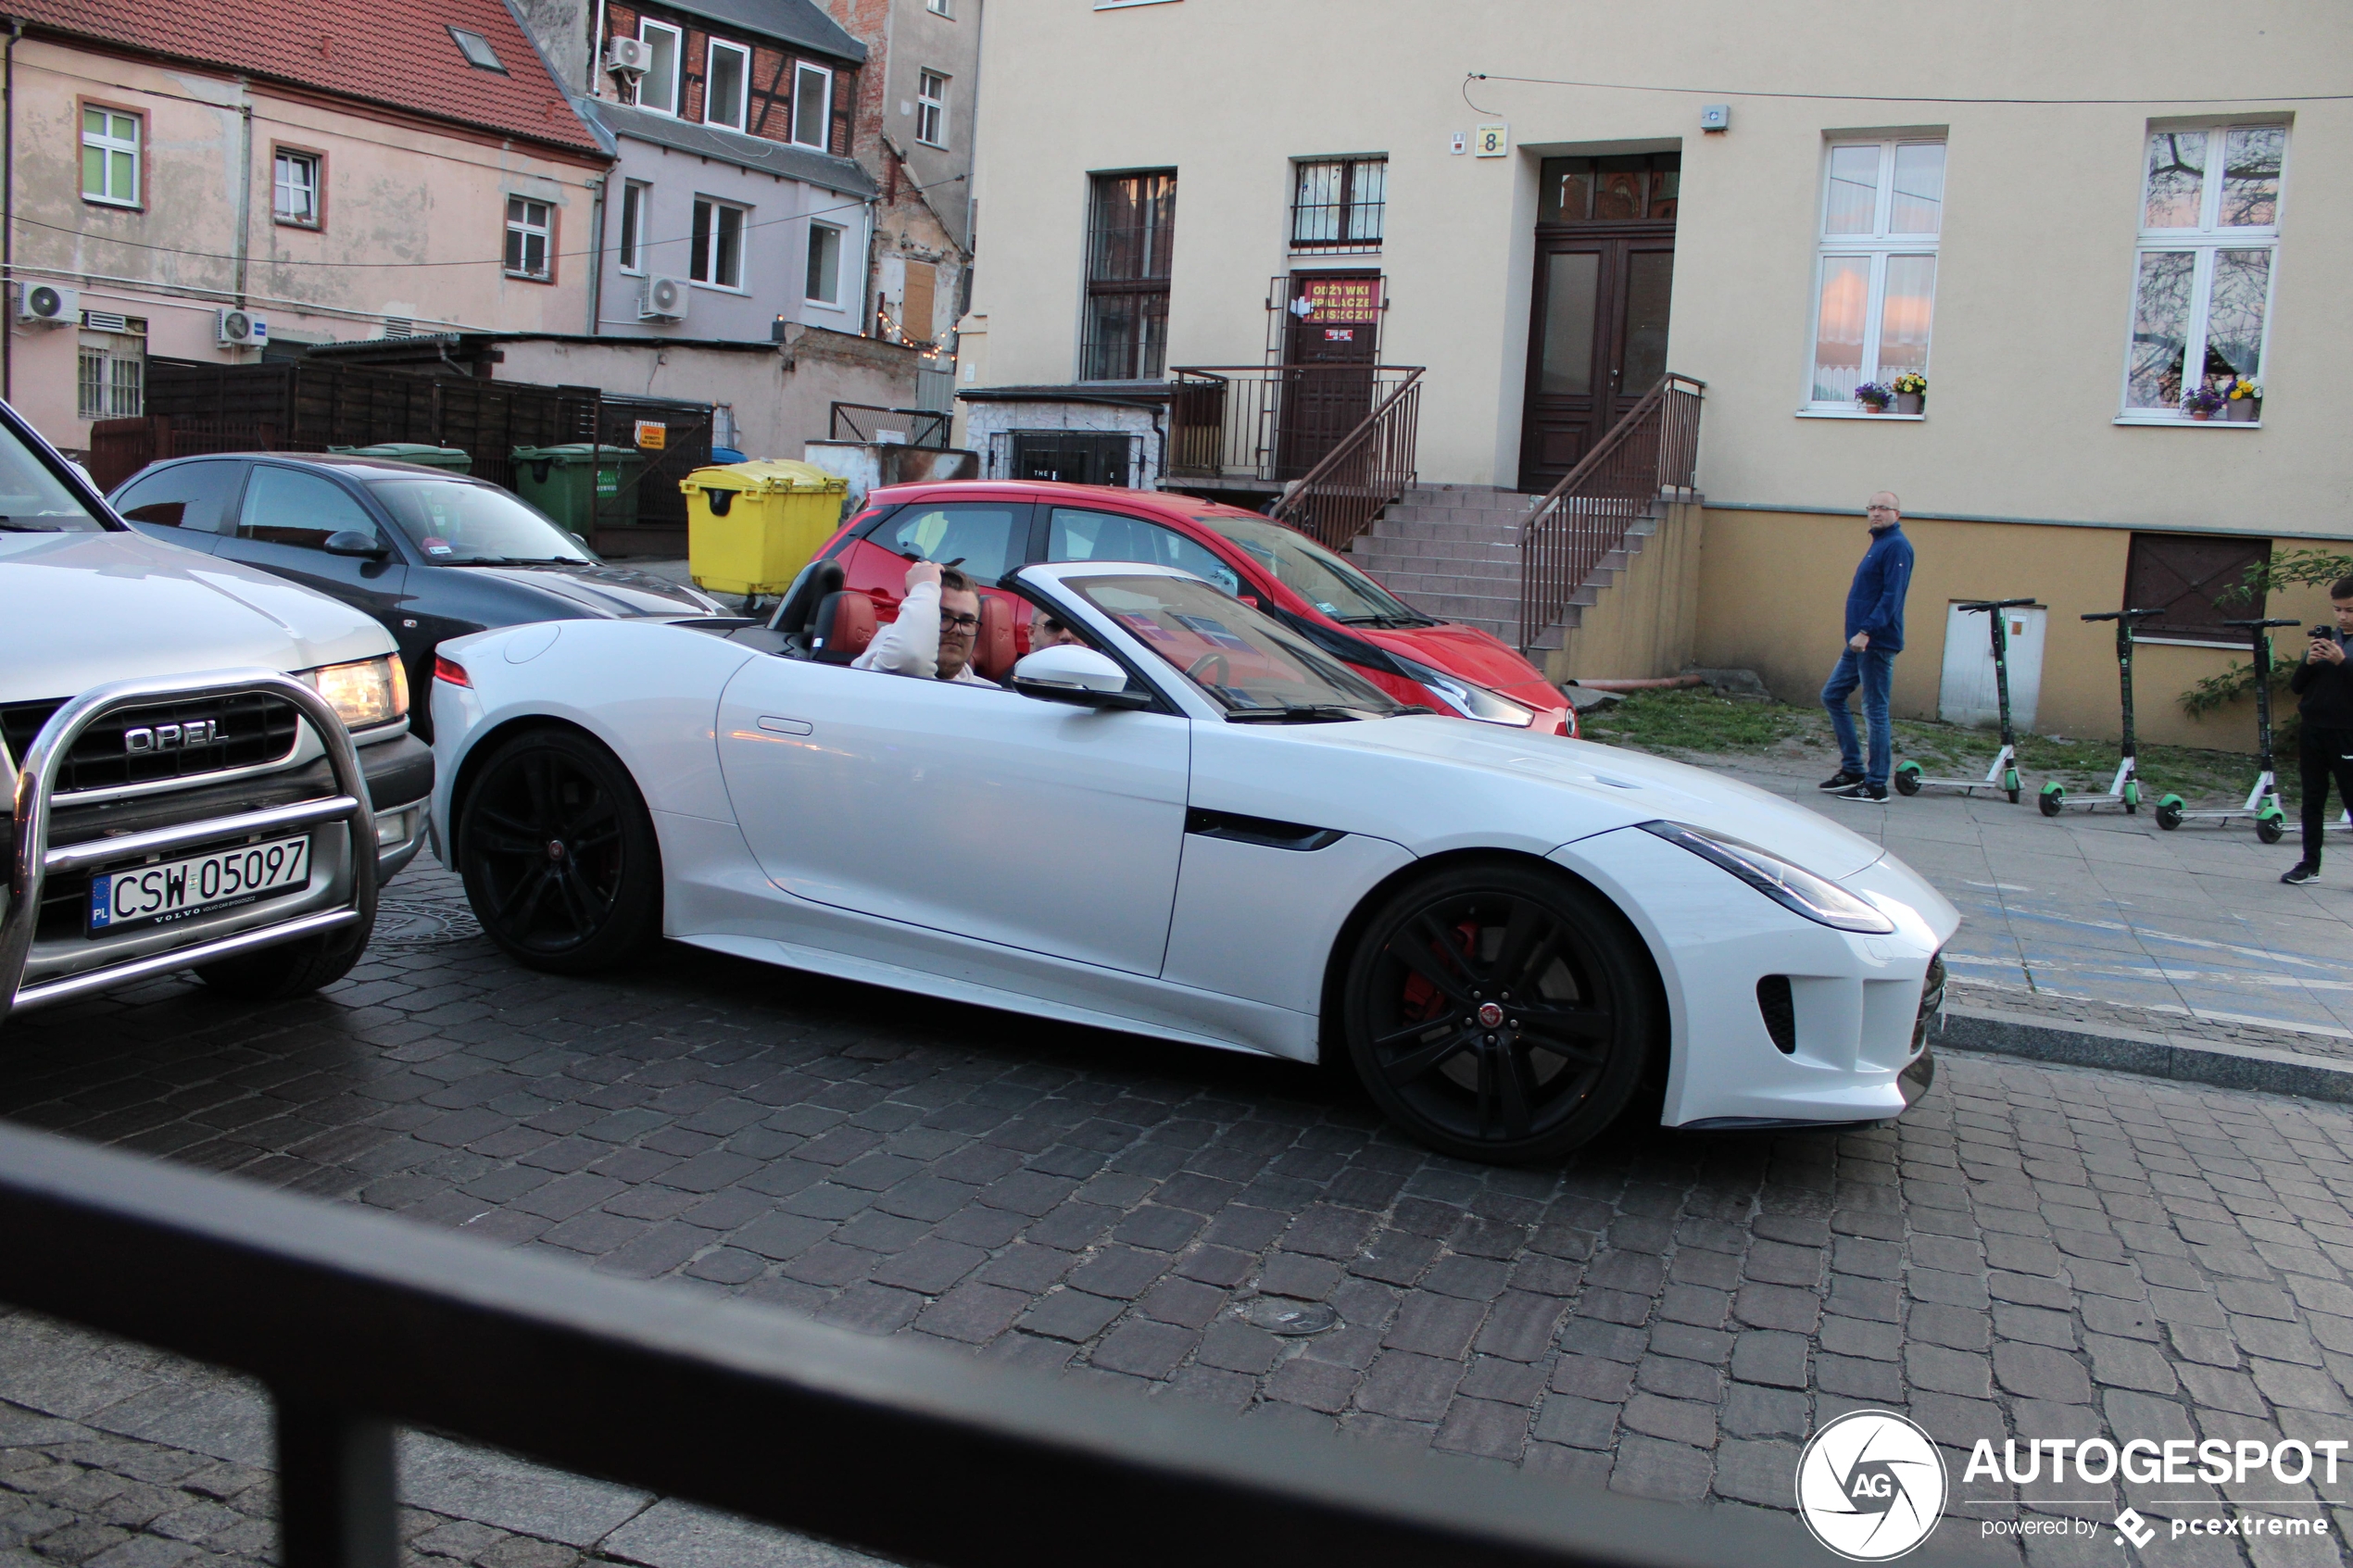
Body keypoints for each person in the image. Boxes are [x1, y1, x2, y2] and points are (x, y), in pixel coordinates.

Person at [1819, 492, 1915, 802]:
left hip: (1874, 641)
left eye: (1883, 508)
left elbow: (1892, 596)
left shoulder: (1897, 546)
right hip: (1858, 642)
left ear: (1896, 513)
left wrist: (1866, 631)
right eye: (1872, 507)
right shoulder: (1880, 544)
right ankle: (1853, 769)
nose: (1875, 513)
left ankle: (1875, 784)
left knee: (1875, 709)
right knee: (1832, 695)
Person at [2280, 576, 2353, 884]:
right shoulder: (2329, 638)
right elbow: (2297, 687)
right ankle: (2310, 864)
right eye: (2337, 609)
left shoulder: (2342, 650)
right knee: (2312, 798)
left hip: (2347, 732)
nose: (2342, 617)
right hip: (2313, 729)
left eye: (2349, 610)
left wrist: (2343, 663)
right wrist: (2309, 662)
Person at [853, 561, 997, 686]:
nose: (957, 630)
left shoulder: (992, 696)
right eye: (943, 617)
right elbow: (911, 656)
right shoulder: (883, 667)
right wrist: (925, 587)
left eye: (967, 621)